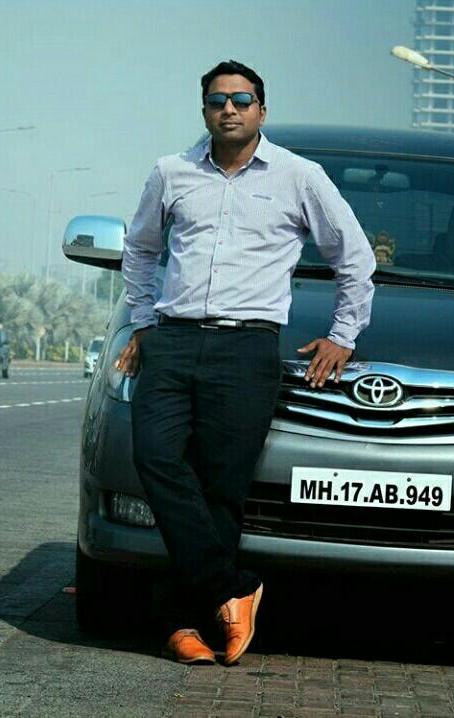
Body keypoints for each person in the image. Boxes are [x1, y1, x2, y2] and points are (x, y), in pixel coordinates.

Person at [117, 60, 376, 666]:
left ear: (262, 109)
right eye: (217, 100)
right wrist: (143, 321)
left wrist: (343, 335)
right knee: (154, 456)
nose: (228, 109)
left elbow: (354, 257)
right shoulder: (172, 173)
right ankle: (232, 588)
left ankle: (186, 625)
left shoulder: (299, 177)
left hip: (247, 349)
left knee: (221, 488)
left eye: (241, 99)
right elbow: (141, 249)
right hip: (173, 339)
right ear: (204, 110)